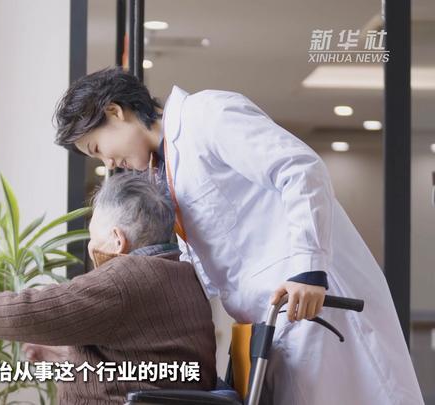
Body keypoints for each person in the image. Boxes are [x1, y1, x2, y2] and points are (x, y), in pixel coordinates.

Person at [52, 67, 424, 404]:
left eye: (98, 148)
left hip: (314, 298)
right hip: (269, 319)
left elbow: (299, 169)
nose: (108, 163)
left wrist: (310, 269)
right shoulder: (163, 172)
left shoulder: (207, 115)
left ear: (115, 112)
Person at [0, 172, 218, 405]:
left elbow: (28, 311)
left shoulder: (127, 276)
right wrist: (67, 355)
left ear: (117, 240)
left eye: (94, 236)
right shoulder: (180, 274)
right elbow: (148, 365)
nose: (91, 247)